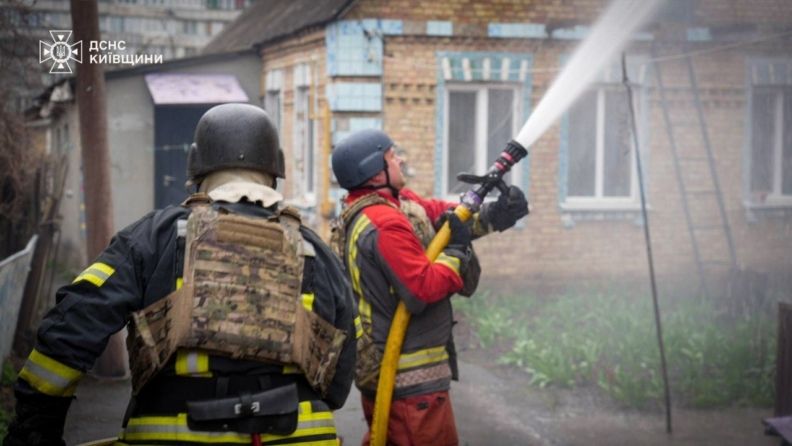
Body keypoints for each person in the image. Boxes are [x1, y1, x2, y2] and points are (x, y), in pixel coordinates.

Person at [4, 103, 357, 446]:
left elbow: (73, 324)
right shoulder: (317, 252)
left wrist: (36, 427)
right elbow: (339, 378)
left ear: (196, 168)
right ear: (275, 169)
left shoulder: (152, 238)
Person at [330, 129, 528, 445]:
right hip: (407, 383)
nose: (400, 160)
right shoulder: (384, 223)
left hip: (405, 382)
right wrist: (456, 252)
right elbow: (422, 289)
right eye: (392, 156)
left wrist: (497, 213)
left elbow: (446, 219)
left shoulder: (396, 205)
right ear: (375, 173)